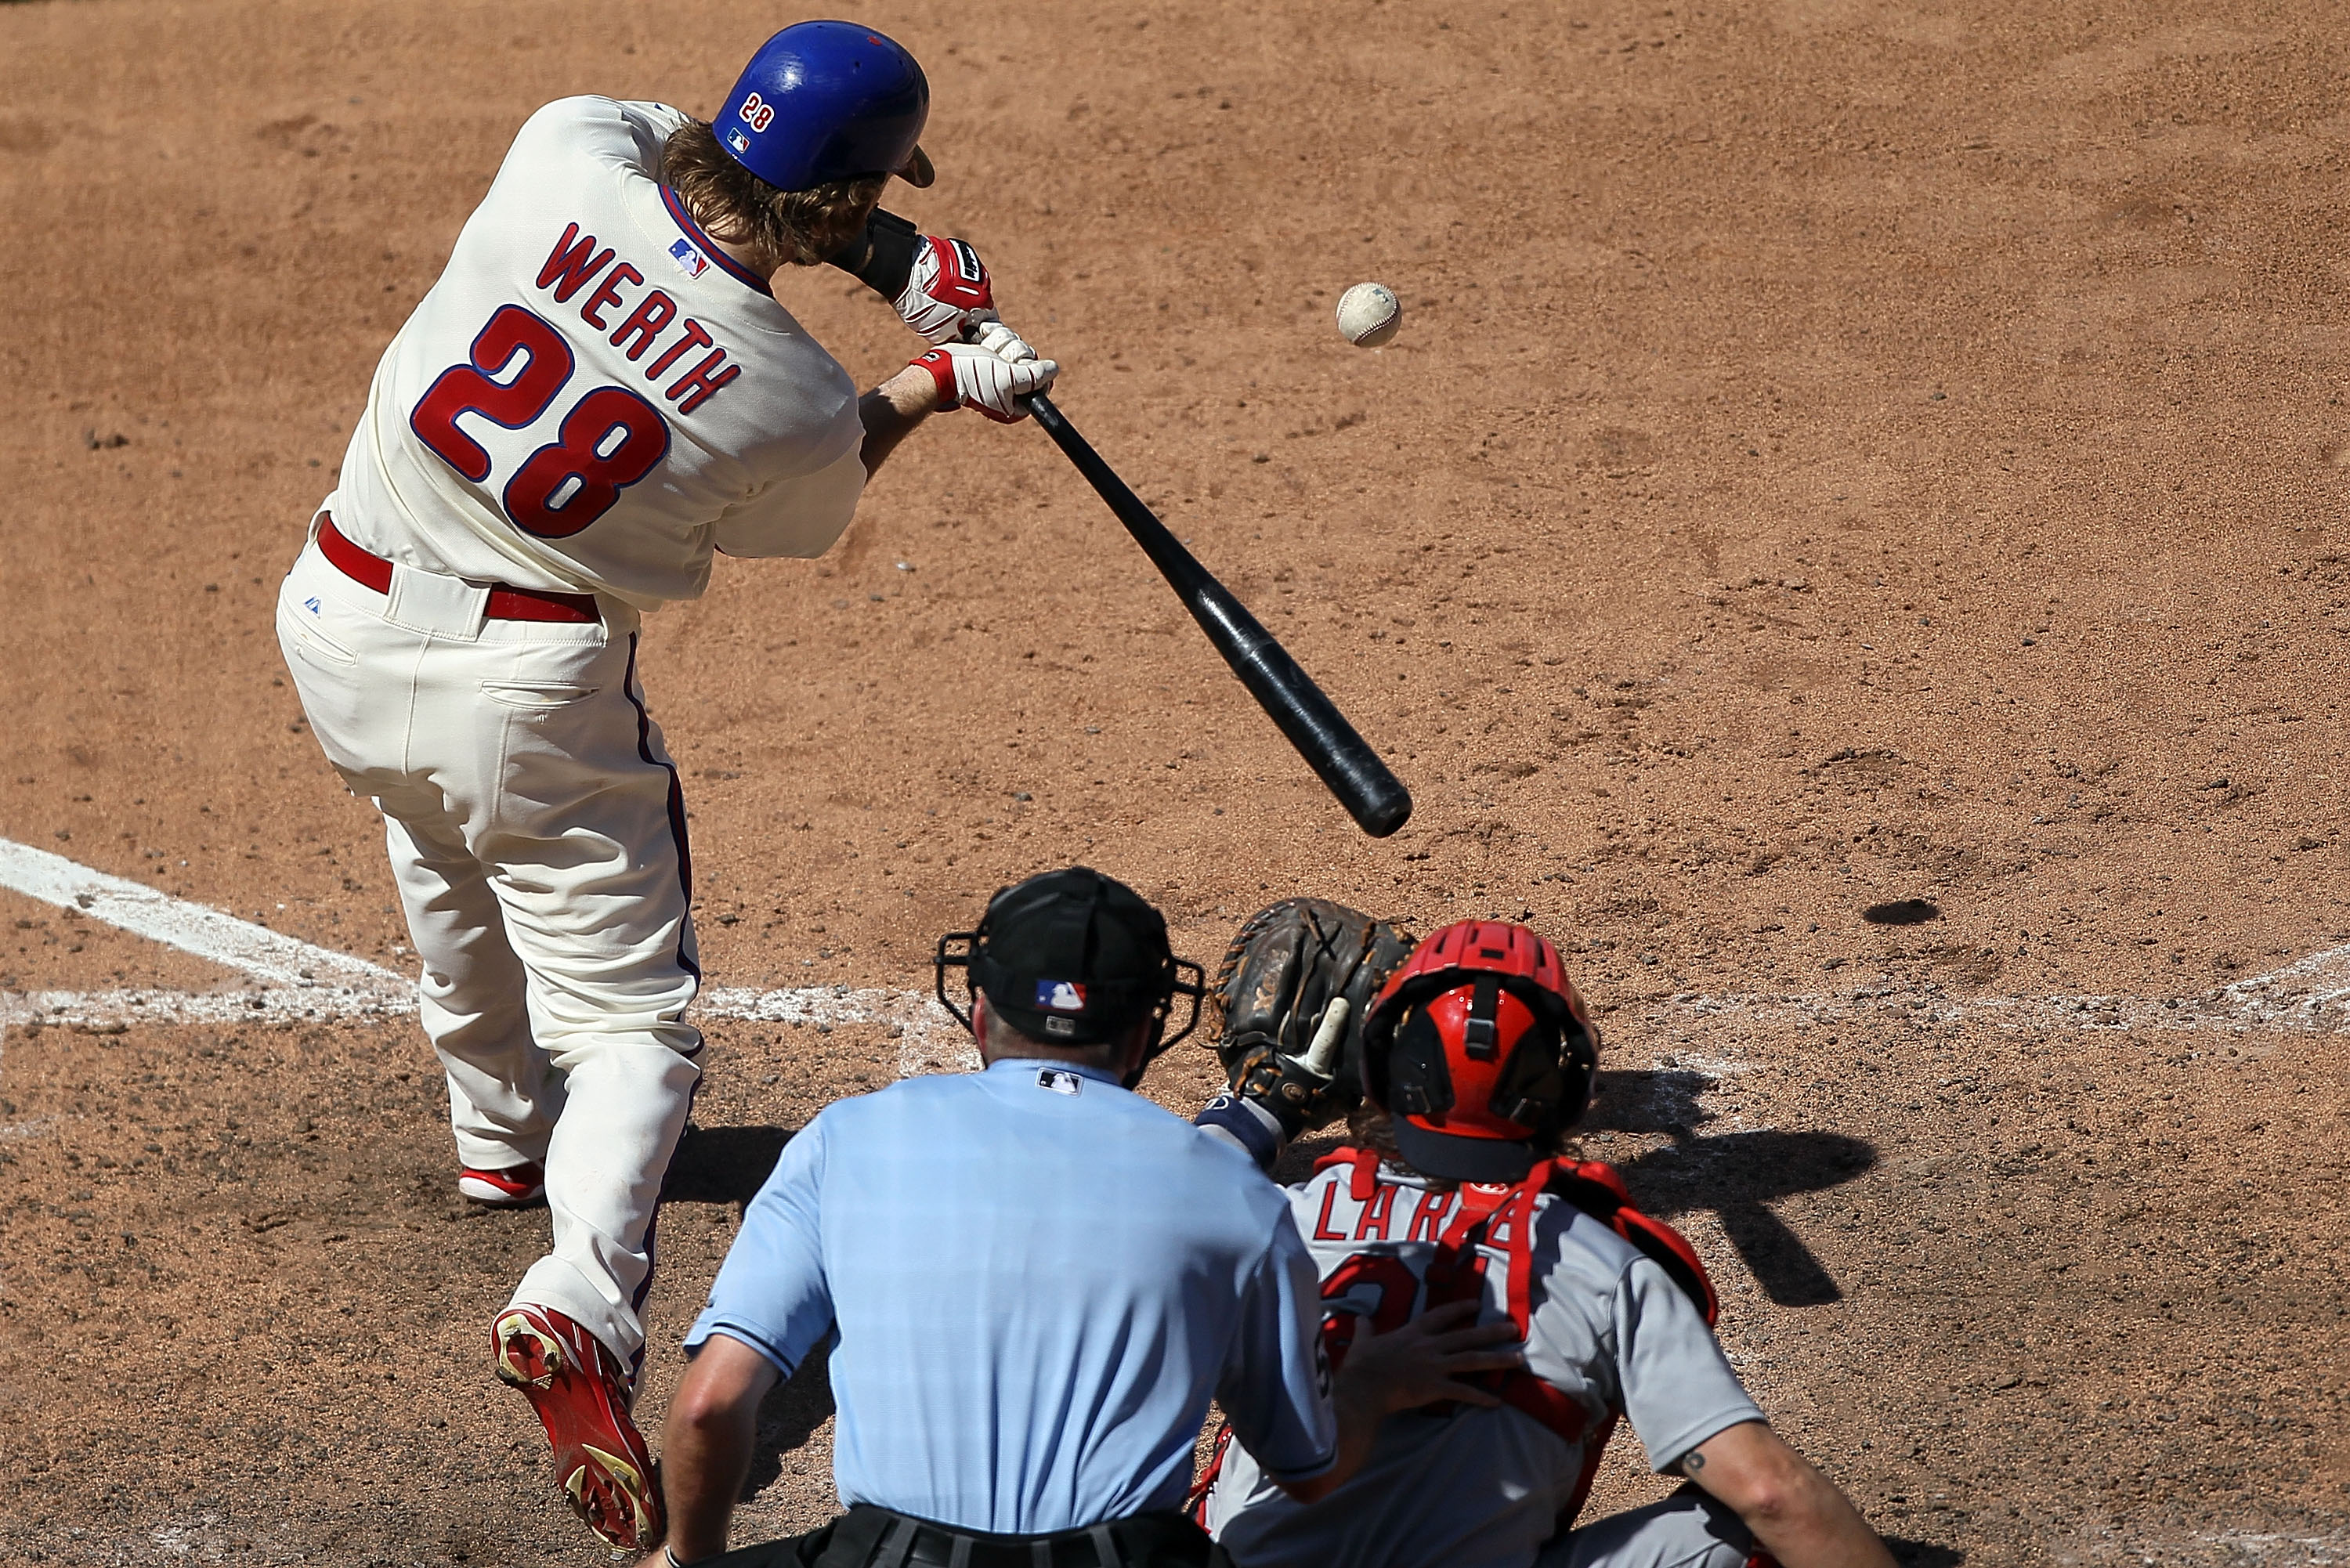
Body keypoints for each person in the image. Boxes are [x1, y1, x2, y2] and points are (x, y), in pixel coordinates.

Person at [273, 21, 1055, 1551]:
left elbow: (689, 157)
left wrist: (868, 236)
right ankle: (579, 1293)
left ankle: (495, 1132)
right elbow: (818, 498)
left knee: (436, 829)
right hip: (526, 690)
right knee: (630, 1023)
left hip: (336, 619)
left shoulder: (564, 143)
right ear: (842, 203)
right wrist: (944, 372)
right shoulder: (784, 393)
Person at [653, 869, 1523, 1568]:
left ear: (981, 1009)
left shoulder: (845, 1140)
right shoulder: (1239, 1201)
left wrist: (696, 1559)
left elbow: (705, 1410)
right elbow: (1309, 1469)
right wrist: (1370, 1382)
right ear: (1148, 1032)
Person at [1192, 912, 1896, 1568]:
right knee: (1749, 1531)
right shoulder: (1606, 1266)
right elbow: (1772, 1496)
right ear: (1572, 1092)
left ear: (1376, 1074)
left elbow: (1143, 1202)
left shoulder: (1272, 1219)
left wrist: (1256, 1111)